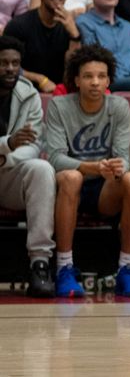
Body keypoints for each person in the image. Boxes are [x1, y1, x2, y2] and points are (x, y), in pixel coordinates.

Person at [45, 45, 130, 298]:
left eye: (101, 76)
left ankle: (127, 269)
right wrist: (94, 167)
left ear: (109, 80)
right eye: (88, 76)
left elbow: (123, 157)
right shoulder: (59, 105)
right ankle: (64, 269)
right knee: (71, 176)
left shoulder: (120, 106)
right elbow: (56, 158)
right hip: (70, 188)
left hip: (105, 187)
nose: (95, 82)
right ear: (77, 80)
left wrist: (116, 167)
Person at [0, 35, 57, 298]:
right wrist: (7, 143)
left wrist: (5, 157)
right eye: (3, 63)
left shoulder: (28, 93)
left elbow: (33, 144)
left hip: (8, 173)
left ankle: (40, 264)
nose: (10, 68)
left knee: (42, 169)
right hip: (6, 158)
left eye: (15, 63)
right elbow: (15, 142)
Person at [4, 0, 81, 93]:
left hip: (59, 92)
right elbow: (4, 65)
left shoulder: (71, 27)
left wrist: (74, 36)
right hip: (20, 89)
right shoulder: (19, 25)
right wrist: (39, 79)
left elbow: (73, 68)